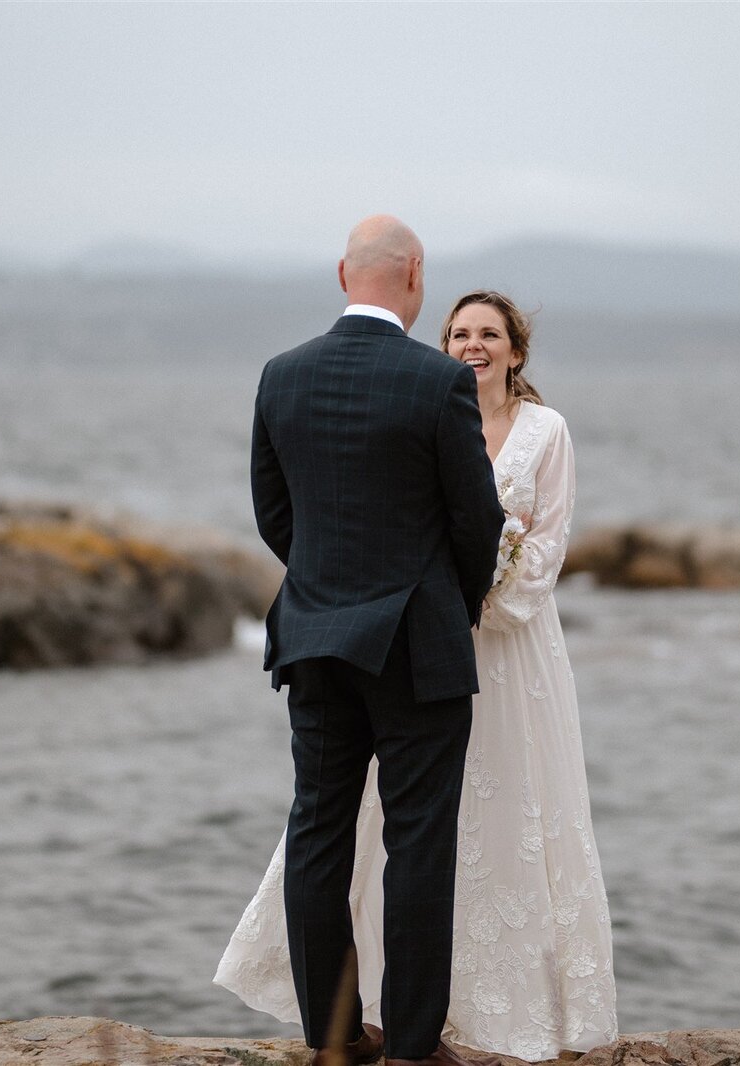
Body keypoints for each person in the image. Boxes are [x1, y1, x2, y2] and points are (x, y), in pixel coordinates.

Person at [218, 290, 618, 1060]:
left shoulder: (544, 430)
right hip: (420, 643)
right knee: (398, 835)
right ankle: (395, 1034)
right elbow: (449, 525)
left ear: (516, 350)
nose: (473, 345)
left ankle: (407, 1026)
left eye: (489, 334)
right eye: (460, 333)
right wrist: (448, 598)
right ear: (442, 340)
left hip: (500, 649)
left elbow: (542, 545)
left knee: (483, 826)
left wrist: (475, 602)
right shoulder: (426, 398)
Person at [235, 215, 504, 1066]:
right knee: (418, 839)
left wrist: (322, 589)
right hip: (414, 645)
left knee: (318, 830)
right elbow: (476, 520)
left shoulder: (282, 376)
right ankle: (415, 1047)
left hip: (313, 638)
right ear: (415, 274)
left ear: (341, 274)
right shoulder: (437, 383)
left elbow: (276, 516)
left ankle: (335, 1037)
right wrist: (446, 603)